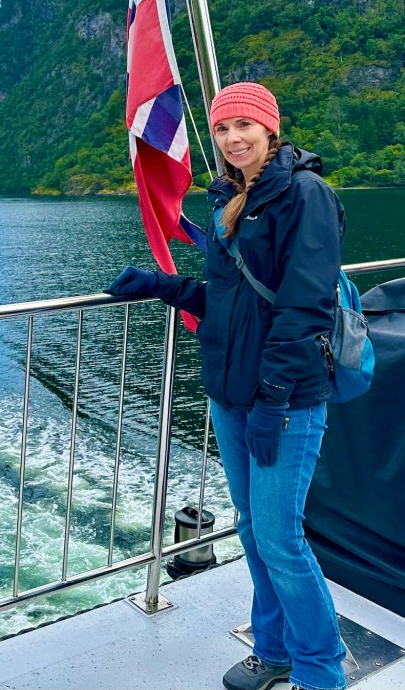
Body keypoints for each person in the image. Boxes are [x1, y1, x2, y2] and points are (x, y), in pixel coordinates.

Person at [107, 82, 347, 690]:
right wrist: (163, 286)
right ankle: (275, 650)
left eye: (244, 125)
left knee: (281, 539)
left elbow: (304, 309)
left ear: (270, 128)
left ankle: (321, 671)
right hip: (230, 394)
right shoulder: (227, 199)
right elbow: (227, 301)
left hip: (284, 400)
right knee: (251, 528)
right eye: (221, 128)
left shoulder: (304, 195)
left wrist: (272, 401)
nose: (233, 138)